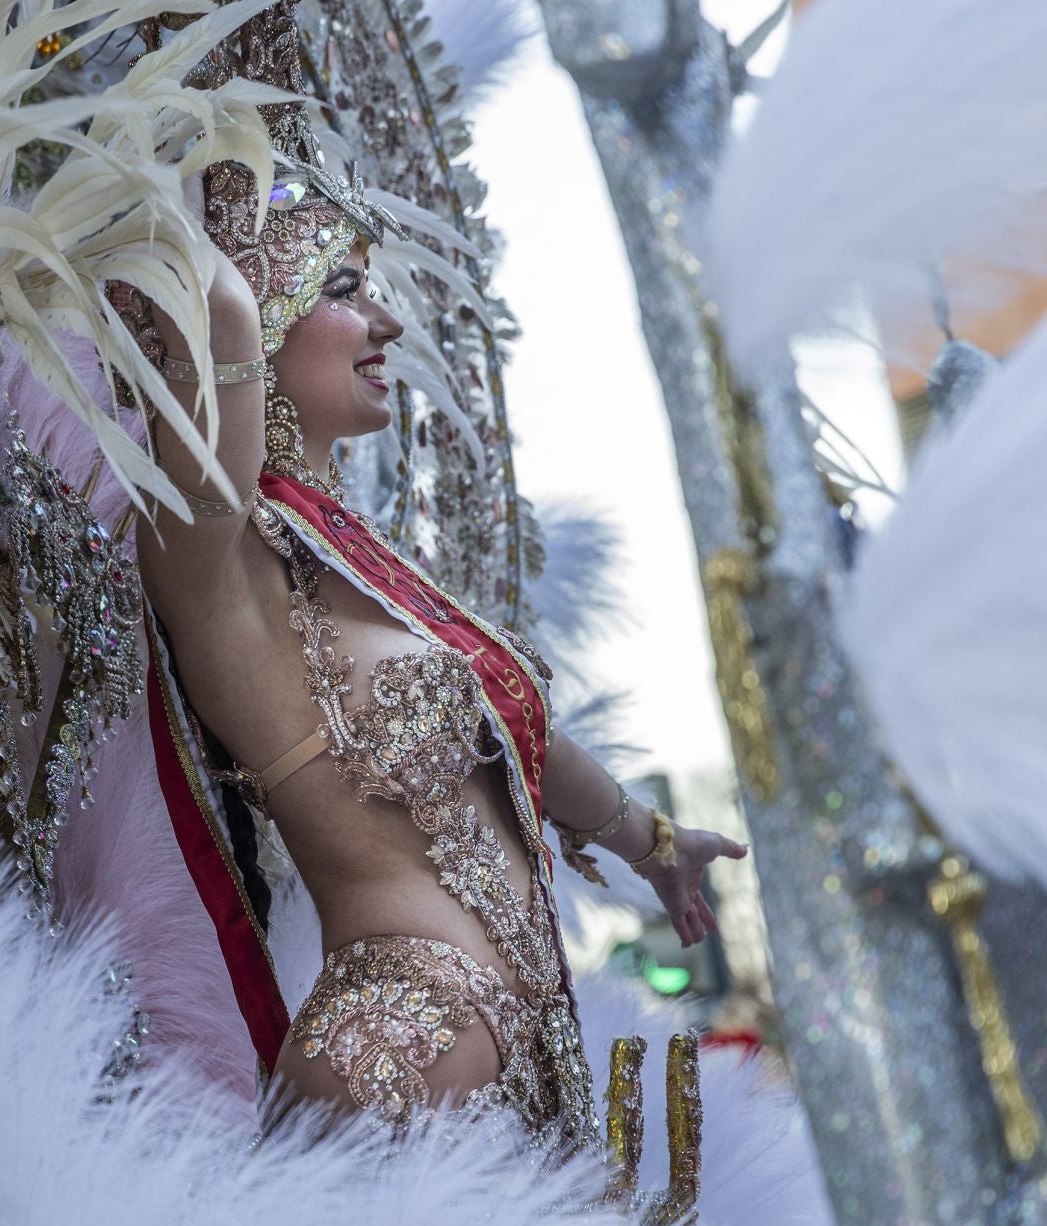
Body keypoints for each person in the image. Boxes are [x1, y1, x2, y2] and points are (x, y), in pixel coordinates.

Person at [134, 146, 749, 1146]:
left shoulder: (372, 570)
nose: (387, 324)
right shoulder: (218, 563)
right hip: (391, 1048)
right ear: (267, 315)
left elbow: (517, 737)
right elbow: (214, 324)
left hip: (532, 1063)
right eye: (342, 289)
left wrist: (655, 844)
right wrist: (198, 185)